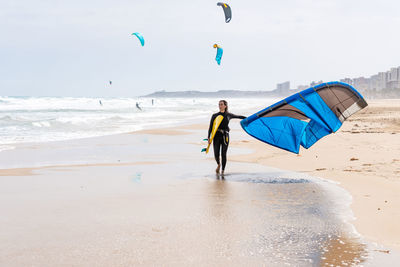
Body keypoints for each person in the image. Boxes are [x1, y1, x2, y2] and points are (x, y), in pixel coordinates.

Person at [208, 100, 246, 175]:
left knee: (223, 154)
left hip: (225, 136)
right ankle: (218, 164)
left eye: (221, 104)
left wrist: (249, 118)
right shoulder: (214, 115)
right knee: (216, 153)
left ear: (225, 106)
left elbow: (238, 116)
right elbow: (211, 127)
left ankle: (222, 170)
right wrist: (209, 137)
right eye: (219, 104)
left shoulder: (228, 115)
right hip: (216, 136)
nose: (220, 106)